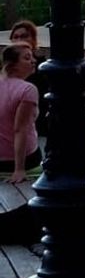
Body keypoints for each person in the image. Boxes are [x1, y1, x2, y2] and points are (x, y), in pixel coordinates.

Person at [0, 43, 40, 182]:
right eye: (27, 58)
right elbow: (20, 129)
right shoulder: (27, 90)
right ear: (13, 64)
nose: (33, 61)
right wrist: (19, 169)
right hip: (21, 161)